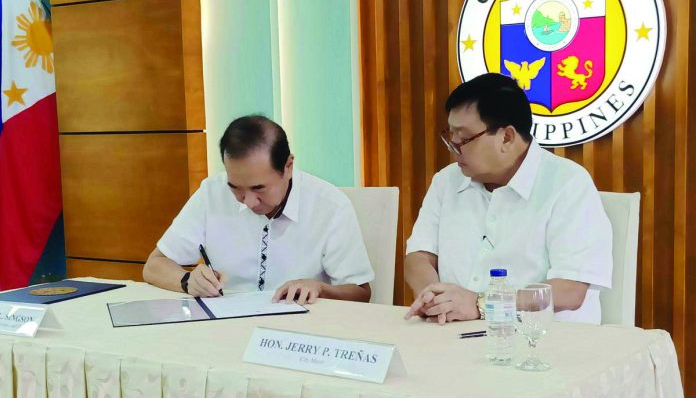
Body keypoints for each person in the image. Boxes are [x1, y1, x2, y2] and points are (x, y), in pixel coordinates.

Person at [404, 73, 612, 324]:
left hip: (545, 344)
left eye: (464, 138)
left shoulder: (568, 183)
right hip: (455, 336)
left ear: (507, 137)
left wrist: (482, 304)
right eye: (451, 137)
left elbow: (570, 290)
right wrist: (435, 298)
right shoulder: (446, 181)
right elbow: (418, 256)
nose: (454, 149)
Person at [143, 115, 374, 304]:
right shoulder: (212, 193)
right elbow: (154, 265)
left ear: (288, 166)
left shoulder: (330, 206)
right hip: (223, 330)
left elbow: (360, 292)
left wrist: (320, 288)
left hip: (300, 334)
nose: (249, 201)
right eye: (236, 188)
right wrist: (187, 281)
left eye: (259, 188)